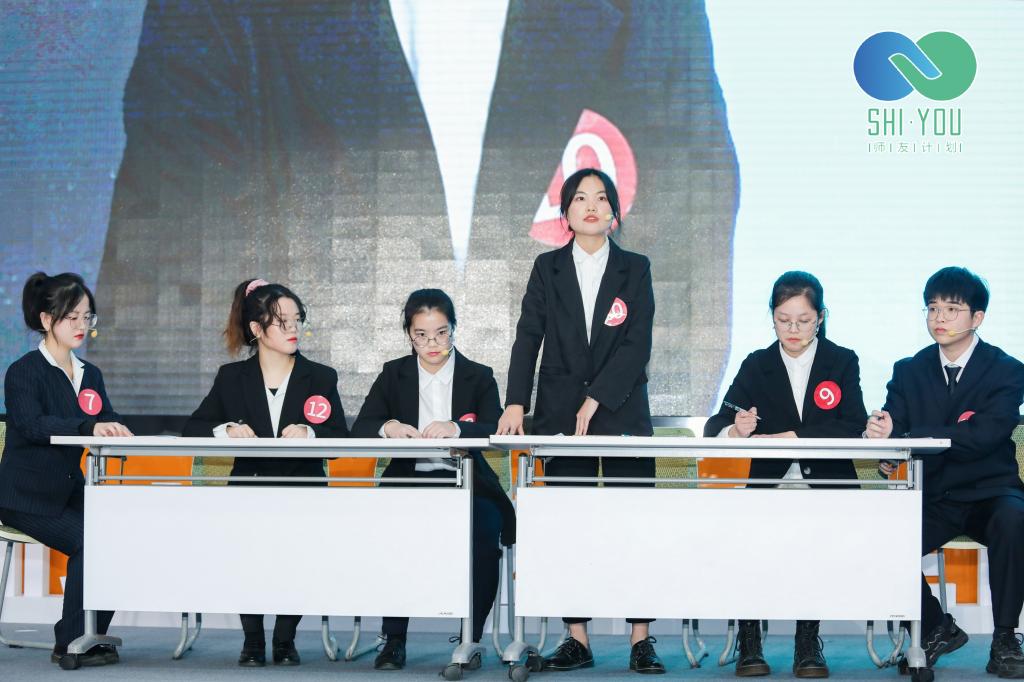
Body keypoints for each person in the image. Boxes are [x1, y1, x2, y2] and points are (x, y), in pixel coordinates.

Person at [497, 168, 662, 674]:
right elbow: (529, 336)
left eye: (601, 198)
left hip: (622, 410)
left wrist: (598, 398)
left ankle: (641, 638)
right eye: (580, 198)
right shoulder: (547, 267)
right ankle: (577, 638)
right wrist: (515, 402)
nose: (591, 205)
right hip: (558, 414)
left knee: (634, 524)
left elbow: (637, 343)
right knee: (568, 526)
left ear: (614, 212)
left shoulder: (635, 268)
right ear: (565, 213)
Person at [704, 271, 867, 678]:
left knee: (814, 547)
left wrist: (795, 436)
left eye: (804, 320)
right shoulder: (757, 364)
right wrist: (735, 430)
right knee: (748, 544)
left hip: (826, 486)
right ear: (772, 317)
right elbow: (716, 424)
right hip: (768, 487)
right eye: (783, 320)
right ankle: (750, 643)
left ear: (821, 317)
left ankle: (807, 645)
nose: (793, 330)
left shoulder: (841, 360)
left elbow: (853, 425)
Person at [181, 278, 349, 667]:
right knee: (247, 563)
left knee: (299, 564)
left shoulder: (320, 377)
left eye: (297, 319)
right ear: (257, 329)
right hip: (248, 492)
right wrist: (225, 430)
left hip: (304, 491)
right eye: (282, 321)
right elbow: (192, 429)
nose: (294, 329)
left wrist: (310, 433)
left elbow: (340, 437)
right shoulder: (231, 377)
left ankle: (285, 639)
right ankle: (253, 641)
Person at [867, 266, 1024, 679]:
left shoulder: (1007, 370)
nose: (939, 318)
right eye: (933, 308)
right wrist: (884, 441)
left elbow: (985, 436)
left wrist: (912, 435)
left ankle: (1005, 638)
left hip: (991, 491)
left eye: (952, 309)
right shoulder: (909, 370)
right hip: (934, 493)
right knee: (883, 537)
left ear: (977, 317)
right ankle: (937, 627)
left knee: (1014, 520)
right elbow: (896, 430)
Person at [351, 288, 515, 671]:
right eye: (421, 335)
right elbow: (363, 425)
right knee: (394, 540)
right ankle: (393, 639)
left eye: (442, 333)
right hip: (409, 482)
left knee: (485, 535)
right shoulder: (394, 374)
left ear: (454, 328)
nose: (433, 344)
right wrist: (390, 427)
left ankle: (471, 638)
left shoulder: (478, 375)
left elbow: (495, 427)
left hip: (469, 482)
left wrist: (457, 428)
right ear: (409, 334)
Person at [0, 272, 132, 667]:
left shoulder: (90, 374)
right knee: (90, 540)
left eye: (87, 317)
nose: (81, 325)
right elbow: (32, 425)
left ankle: (92, 635)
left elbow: (104, 418)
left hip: (68, 489)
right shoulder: (24, 371)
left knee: (121, 537)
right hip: (25, 495)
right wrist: (87, 427)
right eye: (71, 317)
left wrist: (116, 429)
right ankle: (71, 642)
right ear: (46, 320)